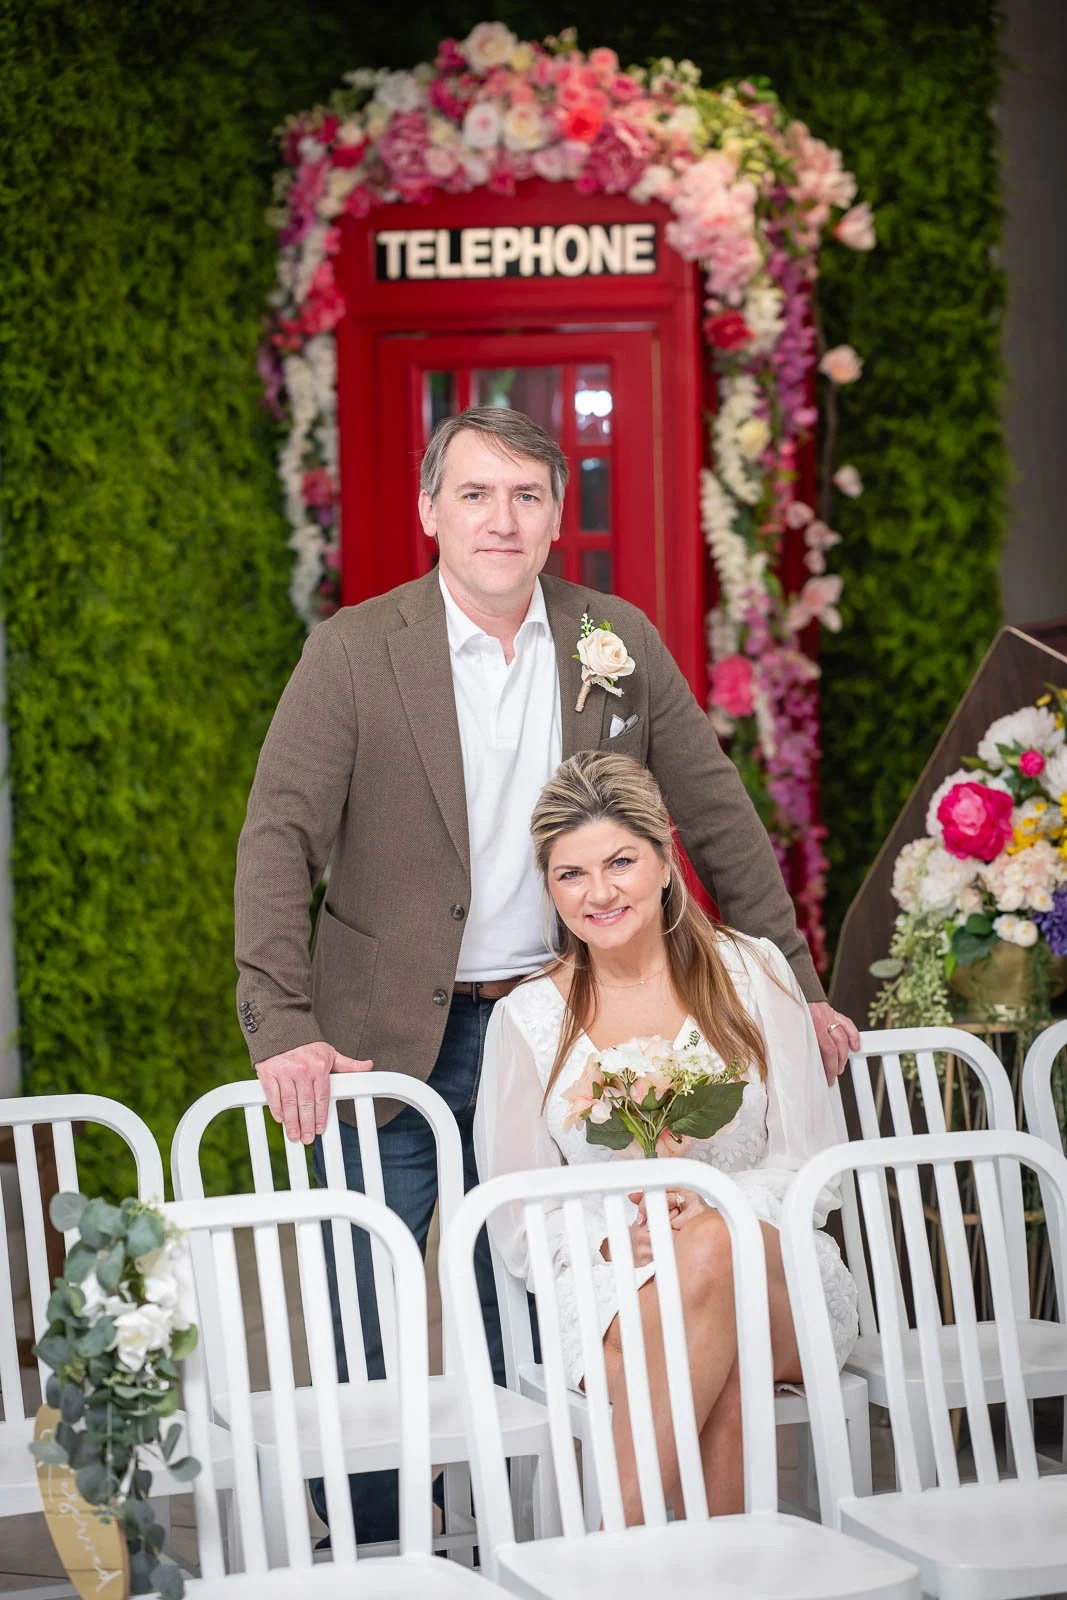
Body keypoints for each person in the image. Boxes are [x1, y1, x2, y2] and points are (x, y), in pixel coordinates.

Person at [233, 405, 858, 1541]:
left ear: (555, 517)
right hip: (380, 1033)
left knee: (514, 1294)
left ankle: (520, 1530)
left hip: (548, 1028)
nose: (499, 518)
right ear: (429, 511)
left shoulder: (611, 636)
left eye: (524, 496)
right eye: (473, 493)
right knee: (363, 1288)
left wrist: (799, 983)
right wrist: (279, 1021)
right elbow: (278, 834)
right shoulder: (352, 653)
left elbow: (713, 814)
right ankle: (376, 1537)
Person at [475, 749, 859, 1522]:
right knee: (719, 1373)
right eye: (570, 874)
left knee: (716, 1242)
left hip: (779, 1268)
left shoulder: (750, 973)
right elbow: (517, 1215)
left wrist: (707, 1210)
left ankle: (602, 1556)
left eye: (620, 862)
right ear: (549, 889)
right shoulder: (528, 1018)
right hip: (614, 1284)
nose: (600, 892)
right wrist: (617, 1239)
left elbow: (815, 1165)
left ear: (662, 860)